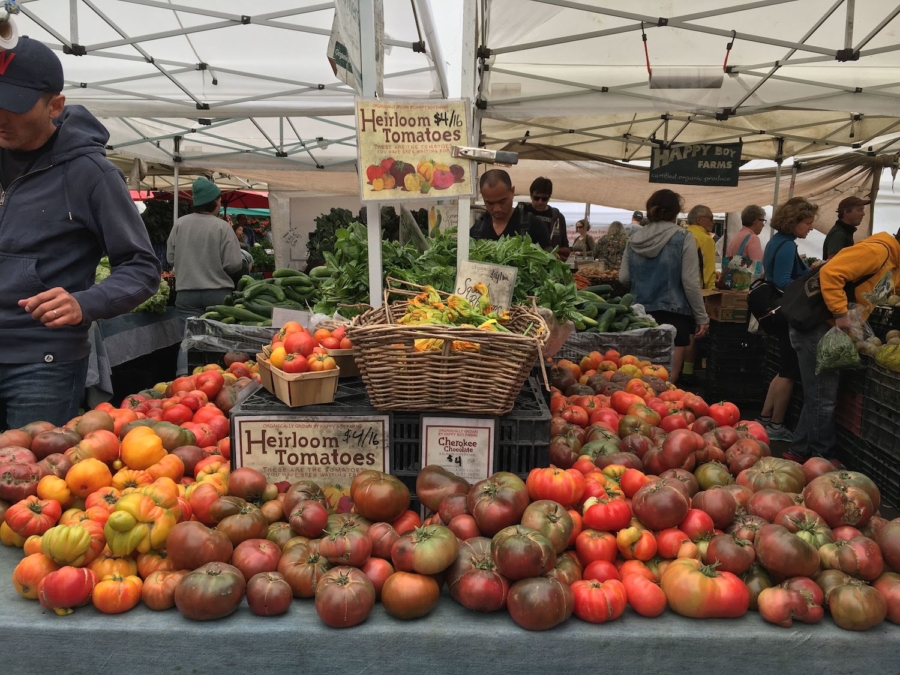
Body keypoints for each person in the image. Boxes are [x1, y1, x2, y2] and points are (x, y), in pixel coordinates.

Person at [0, 37, 159, 429]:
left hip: (41, 363)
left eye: (14, 105)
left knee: (30, 485)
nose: (0, 116)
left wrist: (84, 303)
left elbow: (142, 268)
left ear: (55, 105)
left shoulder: (91, 174)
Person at [787, 227, 900, 464]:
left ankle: (798, 450)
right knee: (824, 398)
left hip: (829, 329)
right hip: (819, 326)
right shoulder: (877, 251)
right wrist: (840, 313)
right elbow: (831, 272)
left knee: (817, 394)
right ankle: (823, 457)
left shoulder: (896, 265)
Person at [619, 189, 709, 384]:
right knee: (666, 382)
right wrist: (701, 316)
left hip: (638, 316)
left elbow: (623, 278)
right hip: (675, 317)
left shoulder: (634, 239)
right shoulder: (684, 238)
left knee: (637, 380)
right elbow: (690, 282)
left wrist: (641, 283)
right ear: (676, 212)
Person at [167, 177, 247, 375]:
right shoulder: (222, 227)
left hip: (186, 293)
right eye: (220, 200)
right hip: (218, 294)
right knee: (220, 339)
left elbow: (170, 258)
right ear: (214, 202)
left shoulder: (179, 225)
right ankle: (219, 379)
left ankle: (183, 379)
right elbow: (234, 264)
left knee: (190, 339)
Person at [756, 197, 815, 445]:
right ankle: (777, 425)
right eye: (808, 223)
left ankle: (765, 418)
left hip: (776, 312)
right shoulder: (787, 245)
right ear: (795, 221)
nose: (810, 228)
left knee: (783, 369)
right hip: (785, 313)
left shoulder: (777, 241)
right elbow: (781, 281)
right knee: (789, 371)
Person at [681, 205, 717, 383]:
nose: (713, 221)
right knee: (692, 333)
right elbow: (708, 271)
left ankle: (676, 369)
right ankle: (687, 372)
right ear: (699, 220)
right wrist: (709, 295)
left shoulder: (681, 235)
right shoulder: (705, 239)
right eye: (710, 218)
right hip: (696, 290)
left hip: (677, 290)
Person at [470, 170, 551, 247]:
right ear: (482, 195)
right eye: (490, 203)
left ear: (512, 192)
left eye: (502, 201)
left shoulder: (534, 226)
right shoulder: (476, 231)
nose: (497, 209)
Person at [521, 177, 570, 259]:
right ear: (530, 196)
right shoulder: (522, 213)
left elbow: (565, 246)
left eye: (544, 199)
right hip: (525, 262)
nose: (540, 202)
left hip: (549, 265)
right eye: (536, 198)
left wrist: (557, 255)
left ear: (549, 197)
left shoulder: (558, 217)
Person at [822, 196, 869, 260]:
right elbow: (832, 263)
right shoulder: (838, 234)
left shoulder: (845, 232)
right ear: (846, 212)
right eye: (859, 210)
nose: (863, 214)